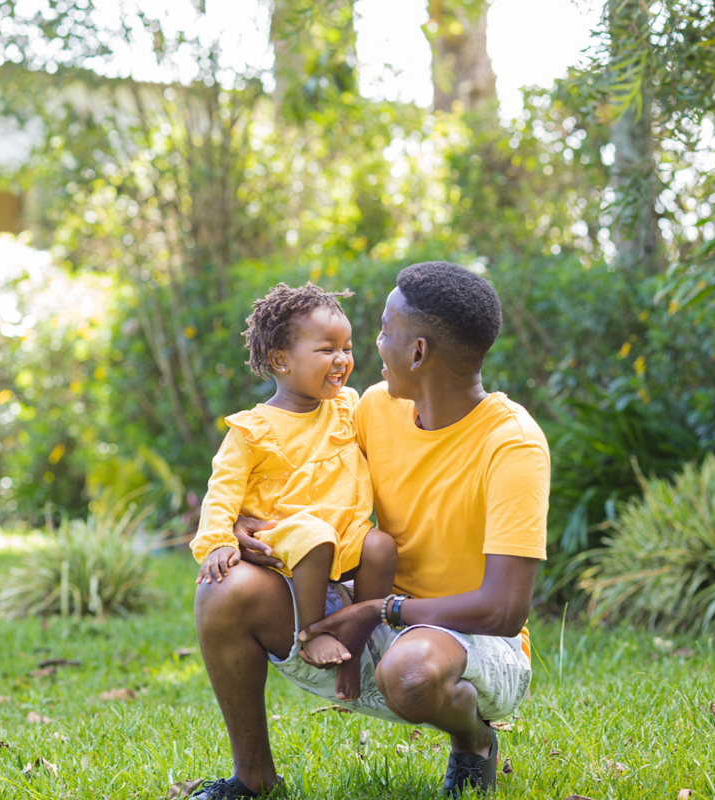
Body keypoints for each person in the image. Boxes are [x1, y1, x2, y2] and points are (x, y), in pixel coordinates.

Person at [189, 262, 549, 799]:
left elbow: (503, 610)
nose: (370, 347)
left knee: (411, 670)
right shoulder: (371, 410)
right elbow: (299, 467)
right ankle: (253, 780)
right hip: (373, 622)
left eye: (382, 331)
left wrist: (380, 610)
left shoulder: (512, 444)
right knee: (223, 592)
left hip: (474, 646)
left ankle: (475, 742)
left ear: (418, 352)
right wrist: (242, 521)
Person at [191, 282, 397, 705]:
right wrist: (218, 539)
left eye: (347, 347)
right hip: (286, 534)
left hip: (344, 536)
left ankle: (356, 643)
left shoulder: (347, 408)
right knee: (314, 536)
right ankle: (312, 633)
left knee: (380, 545)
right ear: (281, 360)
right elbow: (223, 489)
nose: (342, 360)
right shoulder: (254, 428)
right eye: (326, 350)